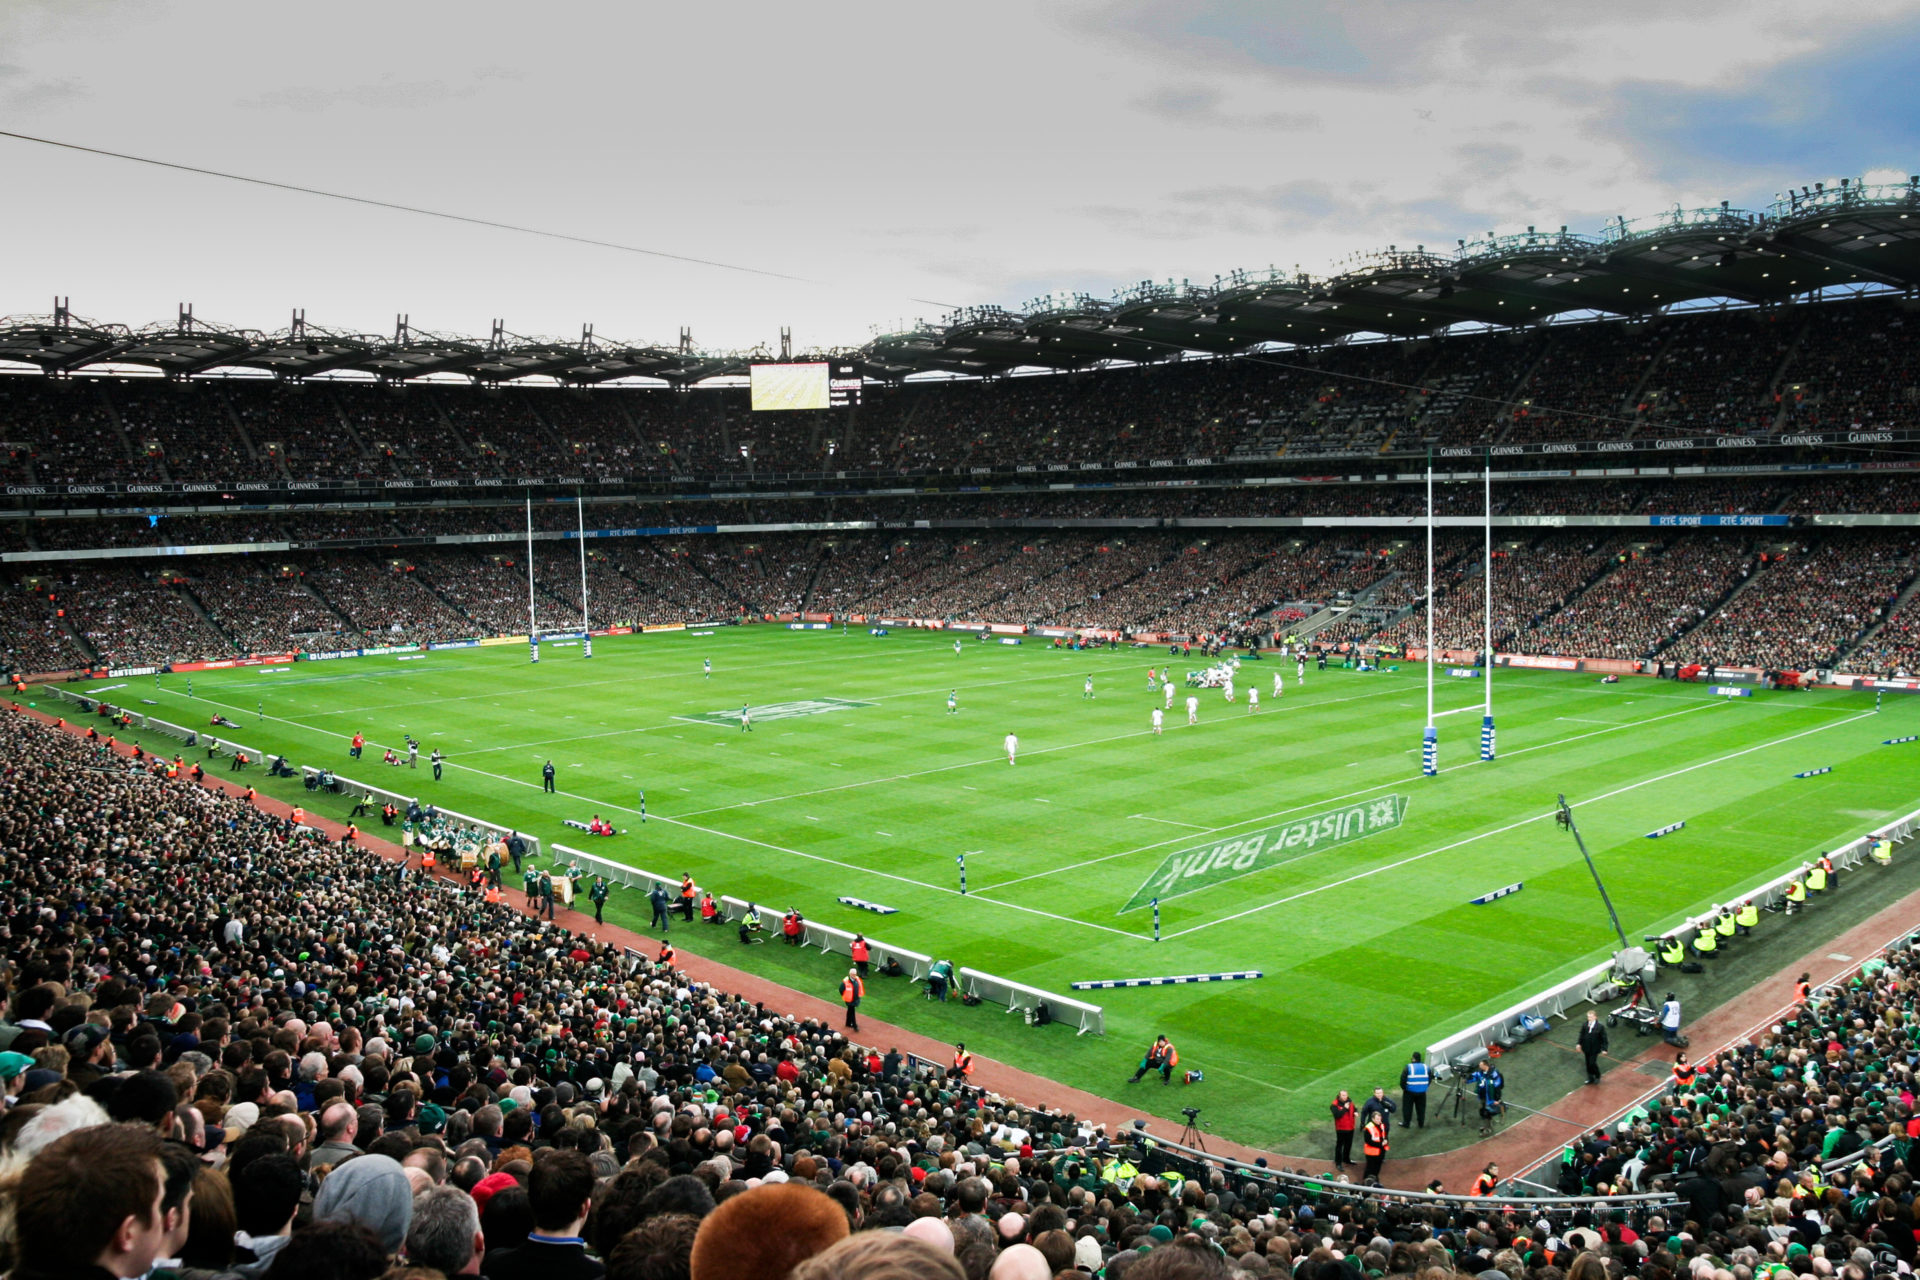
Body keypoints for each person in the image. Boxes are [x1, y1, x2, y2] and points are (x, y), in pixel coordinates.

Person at [1470, 1062, 1504, 1135]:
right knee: (1482, 1111)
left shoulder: (1494, 1076)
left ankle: (1488, 1129)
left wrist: (1496, 1099)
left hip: (1490, 1097)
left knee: (1486, 1112)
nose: (1480, 1067)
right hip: (1482, 1096)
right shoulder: (1482, 1073)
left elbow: (1498, 1088)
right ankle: (1487, 1125)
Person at [1577, 1008, 1609, 1084]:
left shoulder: (1600, 1027)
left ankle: (1597, 1075)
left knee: (1592, 1063)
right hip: (1586, 1048)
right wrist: (1578, 1044)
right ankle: (1590, 1077)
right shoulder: (1585, 1025)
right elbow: (1581, 1035)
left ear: (1595, 1017)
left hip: (1595, 1049)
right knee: (1588, 1063)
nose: (1589, 1018)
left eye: (1591, 1017)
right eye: (1588, 1017)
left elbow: (1604, 1039)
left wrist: (1605, 1049)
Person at [1398, 1051, 1429, 1128]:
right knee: (1421, 1109)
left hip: (1409, 1092)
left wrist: (1405, 1089)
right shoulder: (1426, 1067)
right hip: (1422, 1092)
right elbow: (1430, 1078)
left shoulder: (1408, 1067)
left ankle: (1406, 1123)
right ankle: (1421, 1124)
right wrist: (1423, 1087)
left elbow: (1402, 1080)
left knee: (1407, 1108)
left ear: (1414, 1059)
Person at [1329, 1090, 1357, 1168]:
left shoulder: (1350, 1102)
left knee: (1348, 1145)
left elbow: (1355, 1108)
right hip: (1341, 1129)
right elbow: (1337, 1115)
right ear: (1339, 1096)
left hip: (1351, 1127)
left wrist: (1356, 1112)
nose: (1345, 1097)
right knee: (1339, 1146)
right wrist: (1344, 1108)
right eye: (1343, 1095)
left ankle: (1346, 1159)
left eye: (1346, 1095)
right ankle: (1338, 1162)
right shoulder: (1334, 1105)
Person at [1361, 1109, 1389, 1181]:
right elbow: (1368, 1141)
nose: (1379, 1120)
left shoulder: (1382, 1125)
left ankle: (1375, 1178)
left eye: (1380, 1119)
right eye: (1377, 1119)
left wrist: (1386, 1140)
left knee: (1378, 1166)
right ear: (1373, 1119)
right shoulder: (1368, 1128)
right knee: (1369, 1168)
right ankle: (1366, 1181)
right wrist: (1380, 1144)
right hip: (1372, 1152)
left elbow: (1384, 1135)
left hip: (1380, 1151)